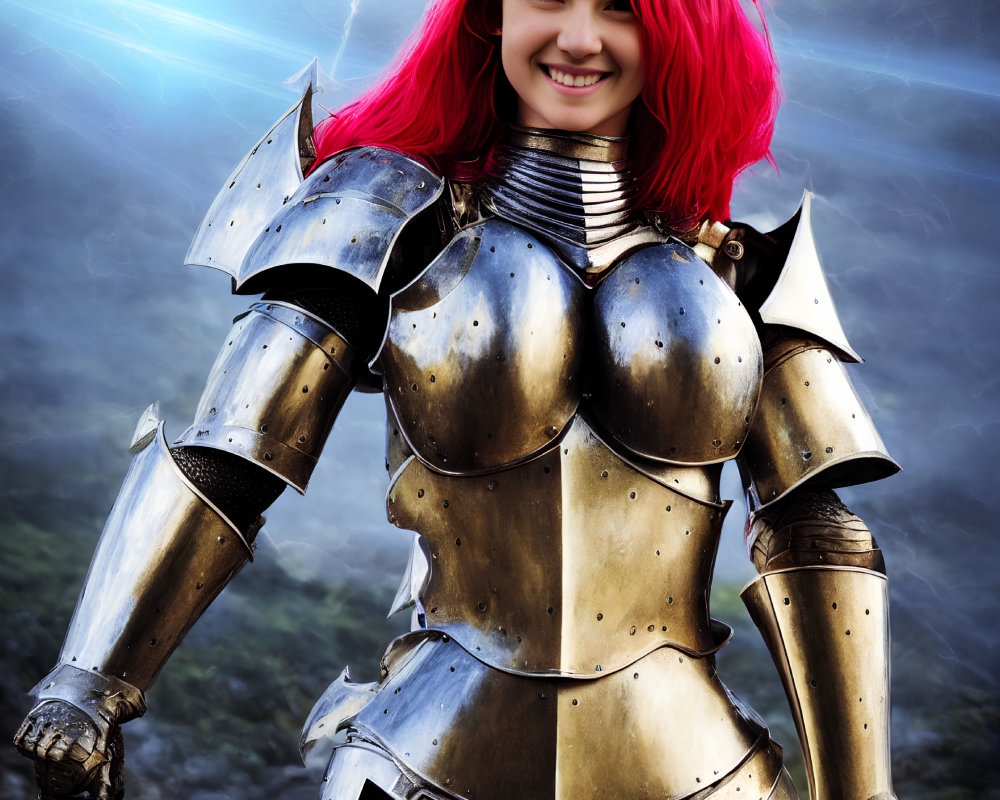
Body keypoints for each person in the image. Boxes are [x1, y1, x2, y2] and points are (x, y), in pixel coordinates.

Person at [14, 0, 901, 798]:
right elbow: (230, 457)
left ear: (678, 34)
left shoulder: (741, 271)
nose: (579, 36)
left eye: (622, 8)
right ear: (492, 15)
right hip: (425, 760)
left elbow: (813, 529)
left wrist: (863, 792)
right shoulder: (379, 212)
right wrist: (87, 683)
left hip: (699, 768)